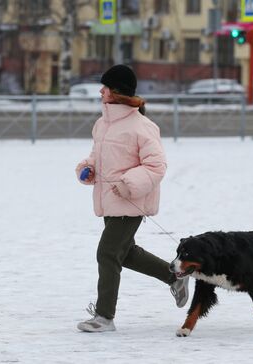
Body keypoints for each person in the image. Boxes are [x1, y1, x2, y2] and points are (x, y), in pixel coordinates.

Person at [75, 64, 189, 333]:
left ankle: (104, 317)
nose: (100, 91)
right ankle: (174, 277)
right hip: (110, 200)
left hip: (131, 201)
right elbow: (97, 156)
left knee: (107, 253)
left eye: (105, 87)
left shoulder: (142, 126)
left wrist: (128, 184)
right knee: (125, 254)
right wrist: (87, 168)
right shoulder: (102, 124)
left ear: (116, 92)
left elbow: (156, 166)